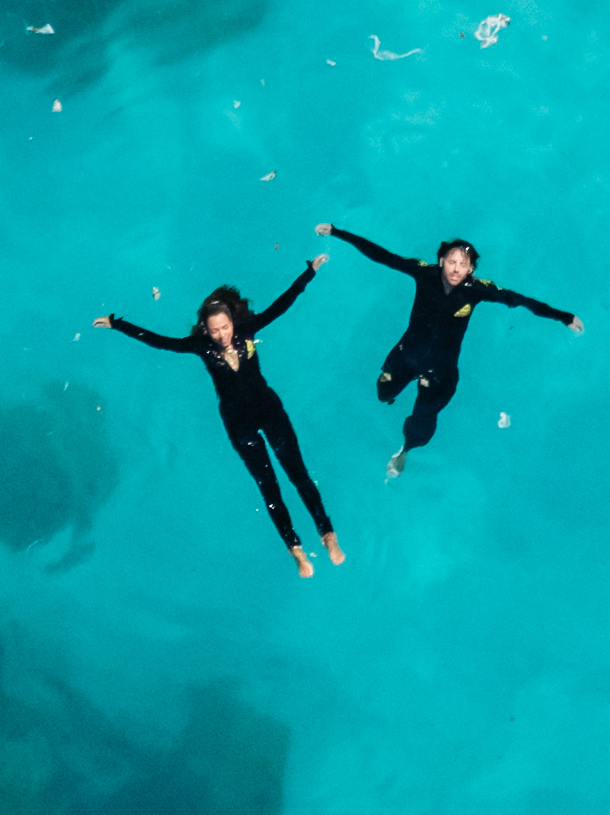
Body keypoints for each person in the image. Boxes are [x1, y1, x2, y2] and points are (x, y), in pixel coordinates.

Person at [97, 258, 345, 576]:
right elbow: (160, 342)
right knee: (268, 487)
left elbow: (282, 304)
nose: (222, 335)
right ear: (206, 329)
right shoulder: (201, 346)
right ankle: (297, 551)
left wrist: (309, 272)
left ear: (232, 320)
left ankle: (328, 536)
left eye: (225, 327)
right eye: (215, 331)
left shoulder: (247, 329)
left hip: (268, 409)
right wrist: (118, 324)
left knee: (298, 474)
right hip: (238, 422)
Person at [318, 223, 583, 476]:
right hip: (407, 354)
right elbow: (383, 256)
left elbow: (519, 300)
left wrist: (563, 316)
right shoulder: (424, 273)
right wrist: (337, 232)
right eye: (452, 262)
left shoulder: (477, 290)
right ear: (442, 260)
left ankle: (405, 450)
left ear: (471, 269)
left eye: (463, 265)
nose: (456, 270)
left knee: (422, 424)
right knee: (382, 393)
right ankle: (397, 392)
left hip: (440, 369)